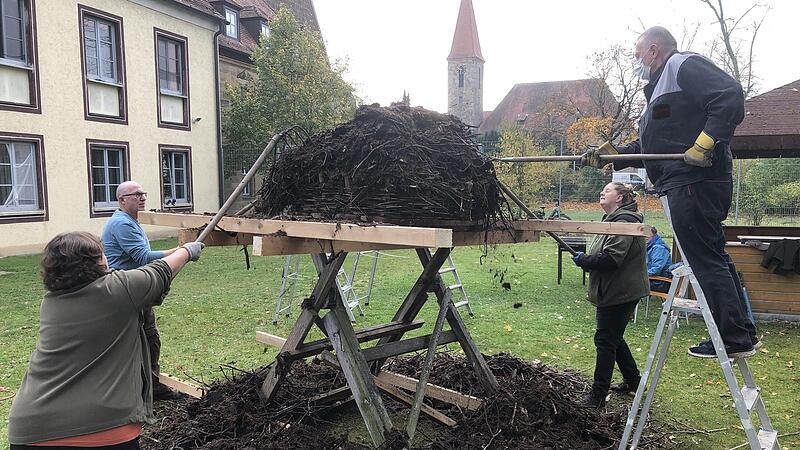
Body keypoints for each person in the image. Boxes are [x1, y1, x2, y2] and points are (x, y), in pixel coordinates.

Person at [582, 26, 758, 359]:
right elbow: (649, 148)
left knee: (703, 259)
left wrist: (705, 143)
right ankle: (741, 331)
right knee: (713, 255)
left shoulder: (681, 66)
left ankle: (733, 338)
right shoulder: (657, 91)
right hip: (684, 181)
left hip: (694, 180)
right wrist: (612, 155)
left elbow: (730, 96)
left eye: (637, 55)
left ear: (653, 49)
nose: (636, 62)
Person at [8, 232, 204, 449]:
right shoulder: (116, 290)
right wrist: (187, 251)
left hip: (31, 429)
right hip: (101, 428)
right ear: (99, 262)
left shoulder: (52, 302)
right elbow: (160, 271)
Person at [102, 180, 182, 400]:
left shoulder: (129, 221)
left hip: (137, 288)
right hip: (127, 291)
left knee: (149, 337)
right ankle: (139, 390)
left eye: (143, 193)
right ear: (122, 200)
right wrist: (180, 252)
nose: (142, 197)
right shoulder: (122, 224)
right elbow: (143, 257)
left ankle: (150, 385)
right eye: (136, 194)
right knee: (140, 340)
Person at [571, 182, 649, 407]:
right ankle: (633, 380)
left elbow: (611, 259)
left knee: (605, 340)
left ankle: (597, 396)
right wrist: (587, 259)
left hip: (621, 291)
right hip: (617, 289)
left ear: (621, 198)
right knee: (613, 336)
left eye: (607, 190)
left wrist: (585, 260)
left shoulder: (624, 223)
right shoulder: (614, 221)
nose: (601, 193)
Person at [646, 227, 672, 292]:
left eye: (647, 234)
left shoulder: (659, 248)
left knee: (630, 281)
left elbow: (656, 269)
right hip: (654, 279)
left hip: (659, 283)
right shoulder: (651, 245)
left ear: (653, 235)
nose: (645, 236)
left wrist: (642, 275)